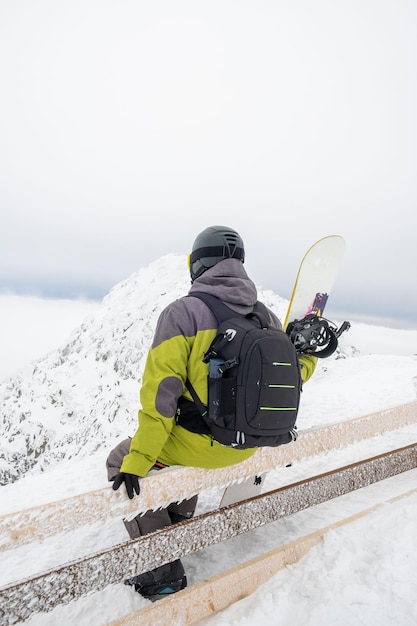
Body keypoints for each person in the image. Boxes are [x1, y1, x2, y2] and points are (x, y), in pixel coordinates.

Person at [107, 225, 317, 599]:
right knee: (169, 456)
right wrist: (310, 356)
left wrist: (138, 459)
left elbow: (160, 400)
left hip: (202, 446)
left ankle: (160, 571)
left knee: (122, 458)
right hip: (247, 443)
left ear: (197, 265)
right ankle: (177, 530)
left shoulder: (183, 314)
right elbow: (291, 379)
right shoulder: (265, 317)